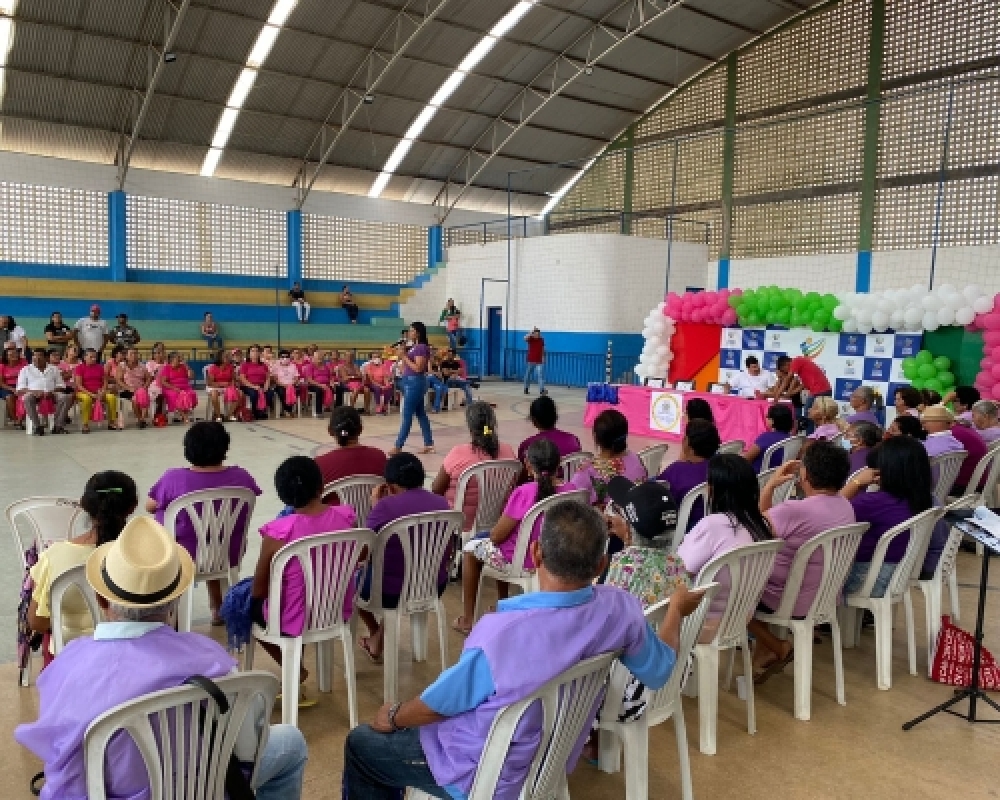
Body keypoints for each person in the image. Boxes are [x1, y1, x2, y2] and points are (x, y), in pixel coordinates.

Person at [342, 499, 704, 800]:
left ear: (535, 552)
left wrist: (392, 716)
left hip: (484, 772)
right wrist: (674, 613)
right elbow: (659, 671)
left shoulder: (501, 634)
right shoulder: (621, 608)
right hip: (551, 760)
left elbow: (438, 705)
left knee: (363, 744)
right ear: (601, 564)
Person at [16, 516, 308, 800]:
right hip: (203, 790)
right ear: (175, 602)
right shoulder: (212, 660)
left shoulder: (68, 666)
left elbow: (62, 761)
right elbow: (247, 750)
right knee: (290, 743)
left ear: (102, 600)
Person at [249, 458, 357, 700]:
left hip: (293, 616)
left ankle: (293, 667)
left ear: (283, 496)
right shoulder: (347, 517)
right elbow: (358, 555)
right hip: (334, 609)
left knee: (244, 606)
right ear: (321, 486)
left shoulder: (278, 532)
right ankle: (295, 665)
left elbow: (258, 589)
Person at [749, 443, 855, 681]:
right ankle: (766, 650)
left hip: (787, 598)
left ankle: (776, 646)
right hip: (824, 596)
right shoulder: (845, 505)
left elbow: (757, 531)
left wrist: (769, 486)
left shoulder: (794, 510)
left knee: (731, 592)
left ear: (805, 473)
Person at [453, 439, 580, 635]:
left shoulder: (524, 492)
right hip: (554, 558)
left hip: (523, 560)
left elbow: (497, 536)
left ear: (528, 464)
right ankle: (504, 604)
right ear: (559, 464)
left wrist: (492, 536)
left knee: (472, 549)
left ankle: (469, 619)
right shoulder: (571, 490)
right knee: (495, 542)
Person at [146, 421, 261, 620]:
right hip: (227, 553)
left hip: (181, 557)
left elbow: (149, 506)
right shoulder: (242, 477)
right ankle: (218, 606)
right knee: (210, 531)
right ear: (225, 448)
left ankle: (171, 612)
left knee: (186, 529)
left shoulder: (174, 478)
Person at [26, 471, 138, 660]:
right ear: (133, 506)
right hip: (131, 656)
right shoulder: (149, 553)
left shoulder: (54, 556)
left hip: (70, 659)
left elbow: (37, 622)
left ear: (84, 505)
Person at [356, 454, 452, 661]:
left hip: (390, 592)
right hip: (433, 585)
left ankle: (375, 634)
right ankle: (377, 639)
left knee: (349, 579)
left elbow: (361, 552)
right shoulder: (442, 503)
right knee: (404, 571)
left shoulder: (385, 507)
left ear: (389, 486)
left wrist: (375, 506)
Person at [676, 454, 773, 630]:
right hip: (741, 619)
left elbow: (678, 572)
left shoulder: (712, 525)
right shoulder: (762, 526)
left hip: (699, 623)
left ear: (714, 489)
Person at [841, 436, 934, 597]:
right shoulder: (925, 499)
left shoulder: (871, 503)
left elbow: (828, 513)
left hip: (866, 579)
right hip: (897, 576)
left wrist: (855, 483)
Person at [432, 401, 516, 529]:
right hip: (497, 524)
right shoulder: (508, 451)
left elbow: (436, 489)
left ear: (470, 427)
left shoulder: (458, 453)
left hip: (460, 526)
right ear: (492, 424)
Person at [572, 408, 648, 506]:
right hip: (636, 516)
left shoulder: (587, 469)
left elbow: (570, 500)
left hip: (603, 520)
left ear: (596, 438)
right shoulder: (637, 459)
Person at [657, 419, 720, 531]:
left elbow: (657, 492)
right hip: (716, 529)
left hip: (683, 532)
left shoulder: (677, 470)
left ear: (687, 443)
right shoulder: (722, 468)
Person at [316, 406, 388, 492]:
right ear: (360, 429)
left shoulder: (320, 464)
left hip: (335, 505)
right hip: (373, 505)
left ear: (330, 431)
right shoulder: (380, 457)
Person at [392, 322, 435, 454]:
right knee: (421, 414)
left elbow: (418, 368)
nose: (409, 333)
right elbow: (410, 366)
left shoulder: (421, 347)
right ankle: (429, 444)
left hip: (415, 383)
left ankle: (398, 446)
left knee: (407, 415)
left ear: (418, 332)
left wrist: (404, 356)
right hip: (410, 382)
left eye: (411, 330)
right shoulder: (415, 347)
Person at [16, 346, 73, 435]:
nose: (37, 358)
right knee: (27, 398)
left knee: (65, 397)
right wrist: (33, 392)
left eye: (40, 356)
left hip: (51, 393)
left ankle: (58, 426)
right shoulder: (25, 369)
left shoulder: (53, 369)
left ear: (46, 358)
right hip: (33, 394)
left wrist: (52, 391)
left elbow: (61, 385)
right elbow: (20, 388)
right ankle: (37, 427)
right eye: (34, 356)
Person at [773, 354, 832, 433]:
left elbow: (787, 379)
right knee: (819, 416)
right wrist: (787, 394)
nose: (786, 372)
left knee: (809, 413)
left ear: (786, 364)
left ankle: (810, 436)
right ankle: (820, 435)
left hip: (819, 391)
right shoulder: (803, 370)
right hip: (823, 390)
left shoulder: (796, 360)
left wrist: (778, 394)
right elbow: (802, 386)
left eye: (784, 370)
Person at [517, 395, 582, 463]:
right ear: (555, 416)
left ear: (534, 420)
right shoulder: (573, 439)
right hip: (571, 474)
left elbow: (522, 471)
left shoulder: (527, 445)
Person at [74, 347, 117, 433]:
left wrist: (103, 391)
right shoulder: (79, 368)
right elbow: (79, 385)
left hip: (99, 392)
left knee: (112, 398)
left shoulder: (100, 367)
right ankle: (85, 424)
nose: (94, 359)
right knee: (87, 399)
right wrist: (91, 394)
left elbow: (105, 382)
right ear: (84, 357)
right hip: (83, 392)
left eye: (95, 357)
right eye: (91, 357)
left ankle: (111, 423)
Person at [743, 403, 795, 473]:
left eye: (767, 417)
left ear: (772, 421)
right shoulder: (794, 440)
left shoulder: (765, 438)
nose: (766, 418)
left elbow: (745, 460)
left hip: (760, 478)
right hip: (783, 478)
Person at [117, 347, 152, 428]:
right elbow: (118, 380)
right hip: (126, 390)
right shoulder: (122, 365)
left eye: (136, 353)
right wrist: (128, 387)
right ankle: (140, 419)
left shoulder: (142, 366)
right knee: (135, 399)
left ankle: (142, 419)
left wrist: (145, 387)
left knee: (143, 394)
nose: (134, 355)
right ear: (126, 356)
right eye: (132, 353)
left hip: (140, 389)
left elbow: (149, 378)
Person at [159, 351, 197, 424]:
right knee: (177, 395)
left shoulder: (183, 366)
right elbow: (163, 382)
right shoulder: (167, 368)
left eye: (180, 357)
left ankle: (184, 415)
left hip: (185, 387)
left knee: (191, 394)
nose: (180, 359)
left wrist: (187, 366)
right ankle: (185, 417)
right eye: (178, 357)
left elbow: (191, 376)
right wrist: (174, 388)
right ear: (172, 359)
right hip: (171, 388)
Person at [433, 348, 474, 413]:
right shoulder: (444, 363)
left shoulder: (456, 363)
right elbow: (445, 373)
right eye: (448, 355)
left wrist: (451, 372)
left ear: (454, 356)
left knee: (467, 387)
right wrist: (454, 372)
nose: (449, 356)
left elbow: (460, 372)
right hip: (448, 381)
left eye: (451, 355)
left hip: (457, 381)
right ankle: (469, 382)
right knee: (454, 379)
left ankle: (471, 406)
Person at [240, 344, 274, 420]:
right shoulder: (245, 365)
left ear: (259, 353)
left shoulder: (264, 365)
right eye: (252, 351)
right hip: (248, 386)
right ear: (249, 353)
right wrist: (253, 386)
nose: (255, 353)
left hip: (262, 385)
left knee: (269, 393)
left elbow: (267, 377)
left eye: (257, 351)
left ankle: (262, 410)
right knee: (254, 393)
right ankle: (255, 412)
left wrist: (266, 385)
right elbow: (243, 379)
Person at [206, 348, 239, 421]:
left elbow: (233, 379)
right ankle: (218, 416)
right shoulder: (213, 367)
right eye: (226, 356)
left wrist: (232, 384)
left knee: (238, 393)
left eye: (228, 356)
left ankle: (229, 415)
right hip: (214, 386)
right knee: (214, 394)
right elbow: (209, 383)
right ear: (220, 357)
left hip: (227, 386)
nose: (228, 357)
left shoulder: (230, 367)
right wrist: (221, 384)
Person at [301, 349, 335, 418]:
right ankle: (318, 411)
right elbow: (309, 380)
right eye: (318, 357)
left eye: (321, 357)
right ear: (314, 358)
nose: (320, 359)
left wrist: (332, 382)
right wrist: (320, 385)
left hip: (326, 384)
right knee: (319, 390)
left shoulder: (326, 366)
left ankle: (335, 409)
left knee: (337, 389)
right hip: (314, 385)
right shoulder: (310, 366)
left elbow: (331, 376)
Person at [270, 349, 302, 418]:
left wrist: (291, 384)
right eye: (283, 357)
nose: (285, 358)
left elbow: (296, 377)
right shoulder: (276, 366)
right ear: (279, 358)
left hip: (291, 384)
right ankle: (288, 410)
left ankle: (287, 410)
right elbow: (275, 379)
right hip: (280, 385)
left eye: (287, 357)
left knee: (296, 391)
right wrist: (284, 385)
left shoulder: (293, 366)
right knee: (282, 392)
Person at [1, 344, 26, 425]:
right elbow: (1, 383)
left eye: (15, 353)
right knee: (9, 397)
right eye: (11, 355)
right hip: (6, 387)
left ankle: (20, 420)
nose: (14, 355)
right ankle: (15, 420)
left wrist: (22, 388)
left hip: (22, 386)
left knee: (24, 397)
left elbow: (29, 377)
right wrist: (13, 389)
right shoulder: (2, 366)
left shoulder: (23, 363)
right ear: (6, 357)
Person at [523, 327, 546, 395]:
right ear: (533, 334)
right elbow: (525, 338)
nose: (537, 335)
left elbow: (543, 349)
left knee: (540, 375)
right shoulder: (531, 339)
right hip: (531, 360)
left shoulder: (541, 340)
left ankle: (541, 390)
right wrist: (531, 332)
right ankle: (526, 388)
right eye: (536, 334)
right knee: (528, 375)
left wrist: (543, 357)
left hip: (539, 361)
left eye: (538, 334)